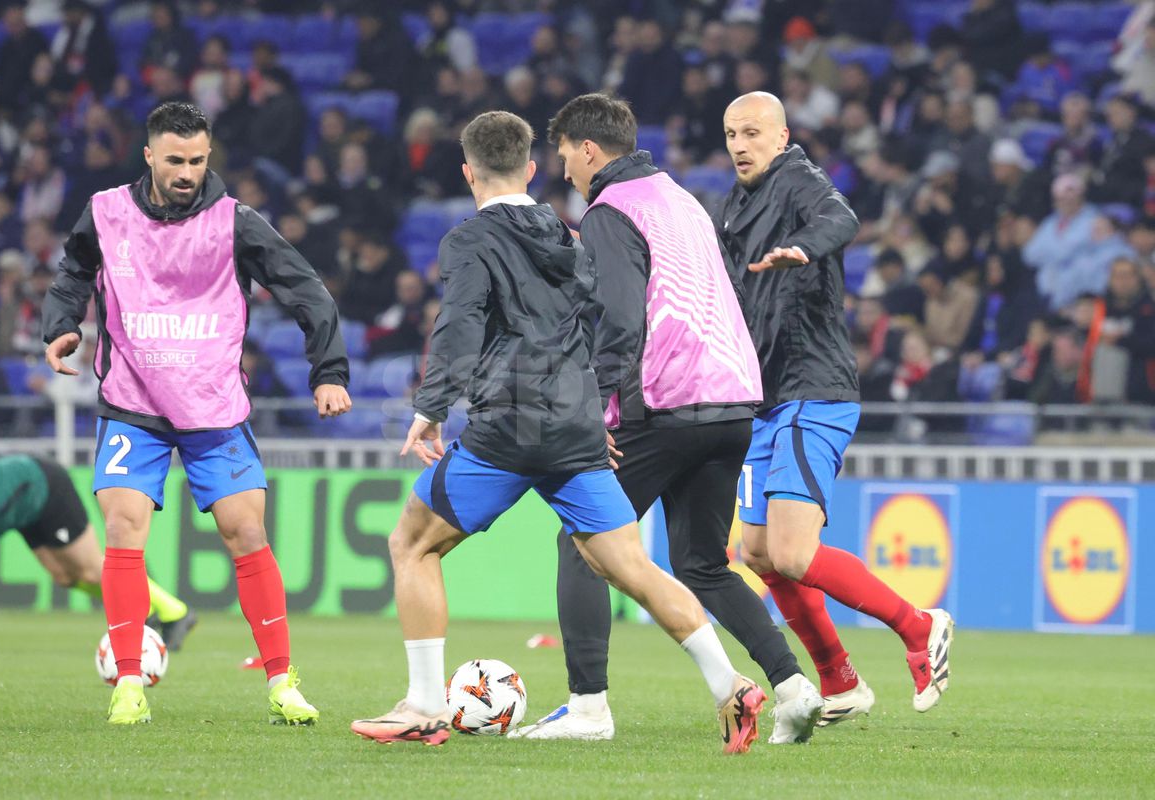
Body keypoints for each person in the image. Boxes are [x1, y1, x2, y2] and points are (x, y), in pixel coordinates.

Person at [349, 110, 765, 754]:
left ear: (468, 172)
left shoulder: (468, 241)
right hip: (578, 427)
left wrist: (431, 406)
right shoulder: (568, 234)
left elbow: (459, 327)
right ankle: (729, 683)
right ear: (532, 169)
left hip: (510, 425)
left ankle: (425, 705)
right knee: (628, 565)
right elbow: (605, 318)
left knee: (411, 543)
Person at [515, 93, 824, 747]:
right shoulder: (679, 199)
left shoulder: (609, 209)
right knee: (703, 563)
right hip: (732, 397)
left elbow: (624, 319)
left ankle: (588, 707)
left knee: (582, 539)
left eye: (565, 152)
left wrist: (598, 406)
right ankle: (793, 688)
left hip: (666, 398)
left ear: (589, 150)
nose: (562, 165)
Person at [41, 102, 352, 726]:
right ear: (150, 155)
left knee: (248, 535)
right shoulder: (106, 213)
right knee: (124, 528)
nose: (188, 171)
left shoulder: (233, 222)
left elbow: (306, 289)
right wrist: (62, 325)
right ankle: (128, 683)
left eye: (199, 160)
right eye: (176, 159)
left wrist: (329, 372)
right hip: (134, 403)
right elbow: (73, 269)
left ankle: (281, 683)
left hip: (212, 408)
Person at [715, 92, 954, 724]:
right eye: (732, 134)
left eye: (752, 132)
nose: (740, 144)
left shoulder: (798, 179)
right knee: (759, 555)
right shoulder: (734, 207)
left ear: (782, 135)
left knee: (792, 554)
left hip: (811, 388)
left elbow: (840, 216)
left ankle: (918, 624)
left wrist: (806, 247)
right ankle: (839, 681)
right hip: (764, 398)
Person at [0, 455, 197, 650]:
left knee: (91, 569)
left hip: (43, 484)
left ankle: (176, 612)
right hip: (23, 505)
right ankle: (144, 610)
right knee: (65, 577)